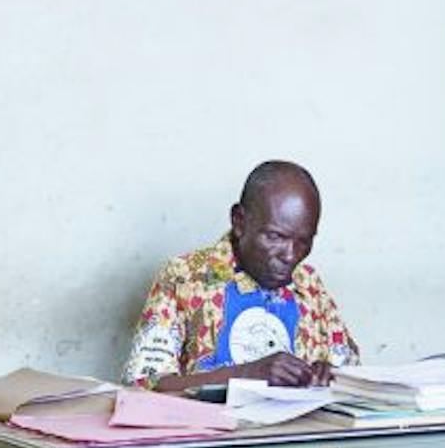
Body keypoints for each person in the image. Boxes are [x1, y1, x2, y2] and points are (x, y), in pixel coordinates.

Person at [122, 160, 359, 393]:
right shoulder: (184, 277)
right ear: (239, 221)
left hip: (299, 431)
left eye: (304, 242)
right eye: (275, 237)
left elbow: (356, 378)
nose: (290, 255)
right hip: (214, 431)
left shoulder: (309, 283)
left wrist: (329, 375)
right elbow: (143, 385)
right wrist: (244, 375)